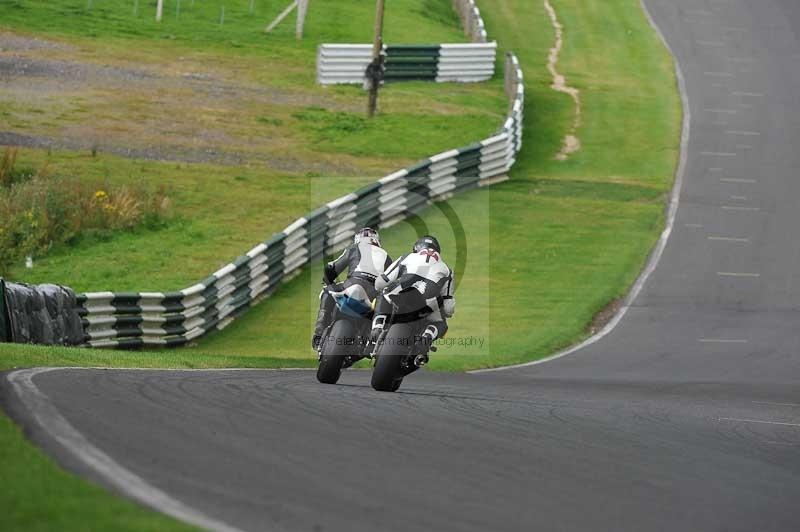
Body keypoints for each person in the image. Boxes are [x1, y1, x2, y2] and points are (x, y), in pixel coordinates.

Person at [370, 235, 455, 366]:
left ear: (416, 248)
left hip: (400, 292)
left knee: (383, 294)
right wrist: (445, 312)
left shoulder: (407, 257)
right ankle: (426, 337)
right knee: (441, 324)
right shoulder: (447, 270)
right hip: (428, 301)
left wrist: (379, 288)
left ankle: (377, 326)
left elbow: (381, 282)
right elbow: (449, 307)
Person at [312, 227, 392, 350]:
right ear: (376, 241)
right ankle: (373, 339)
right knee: (385, 303)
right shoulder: (386, 256)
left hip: (352, 283)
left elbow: (334, 267)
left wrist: (328, 279)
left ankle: (320, 327)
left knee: (327, 290)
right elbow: (390, 281)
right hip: (373, 291)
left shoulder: (354, 248)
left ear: (358, 239)